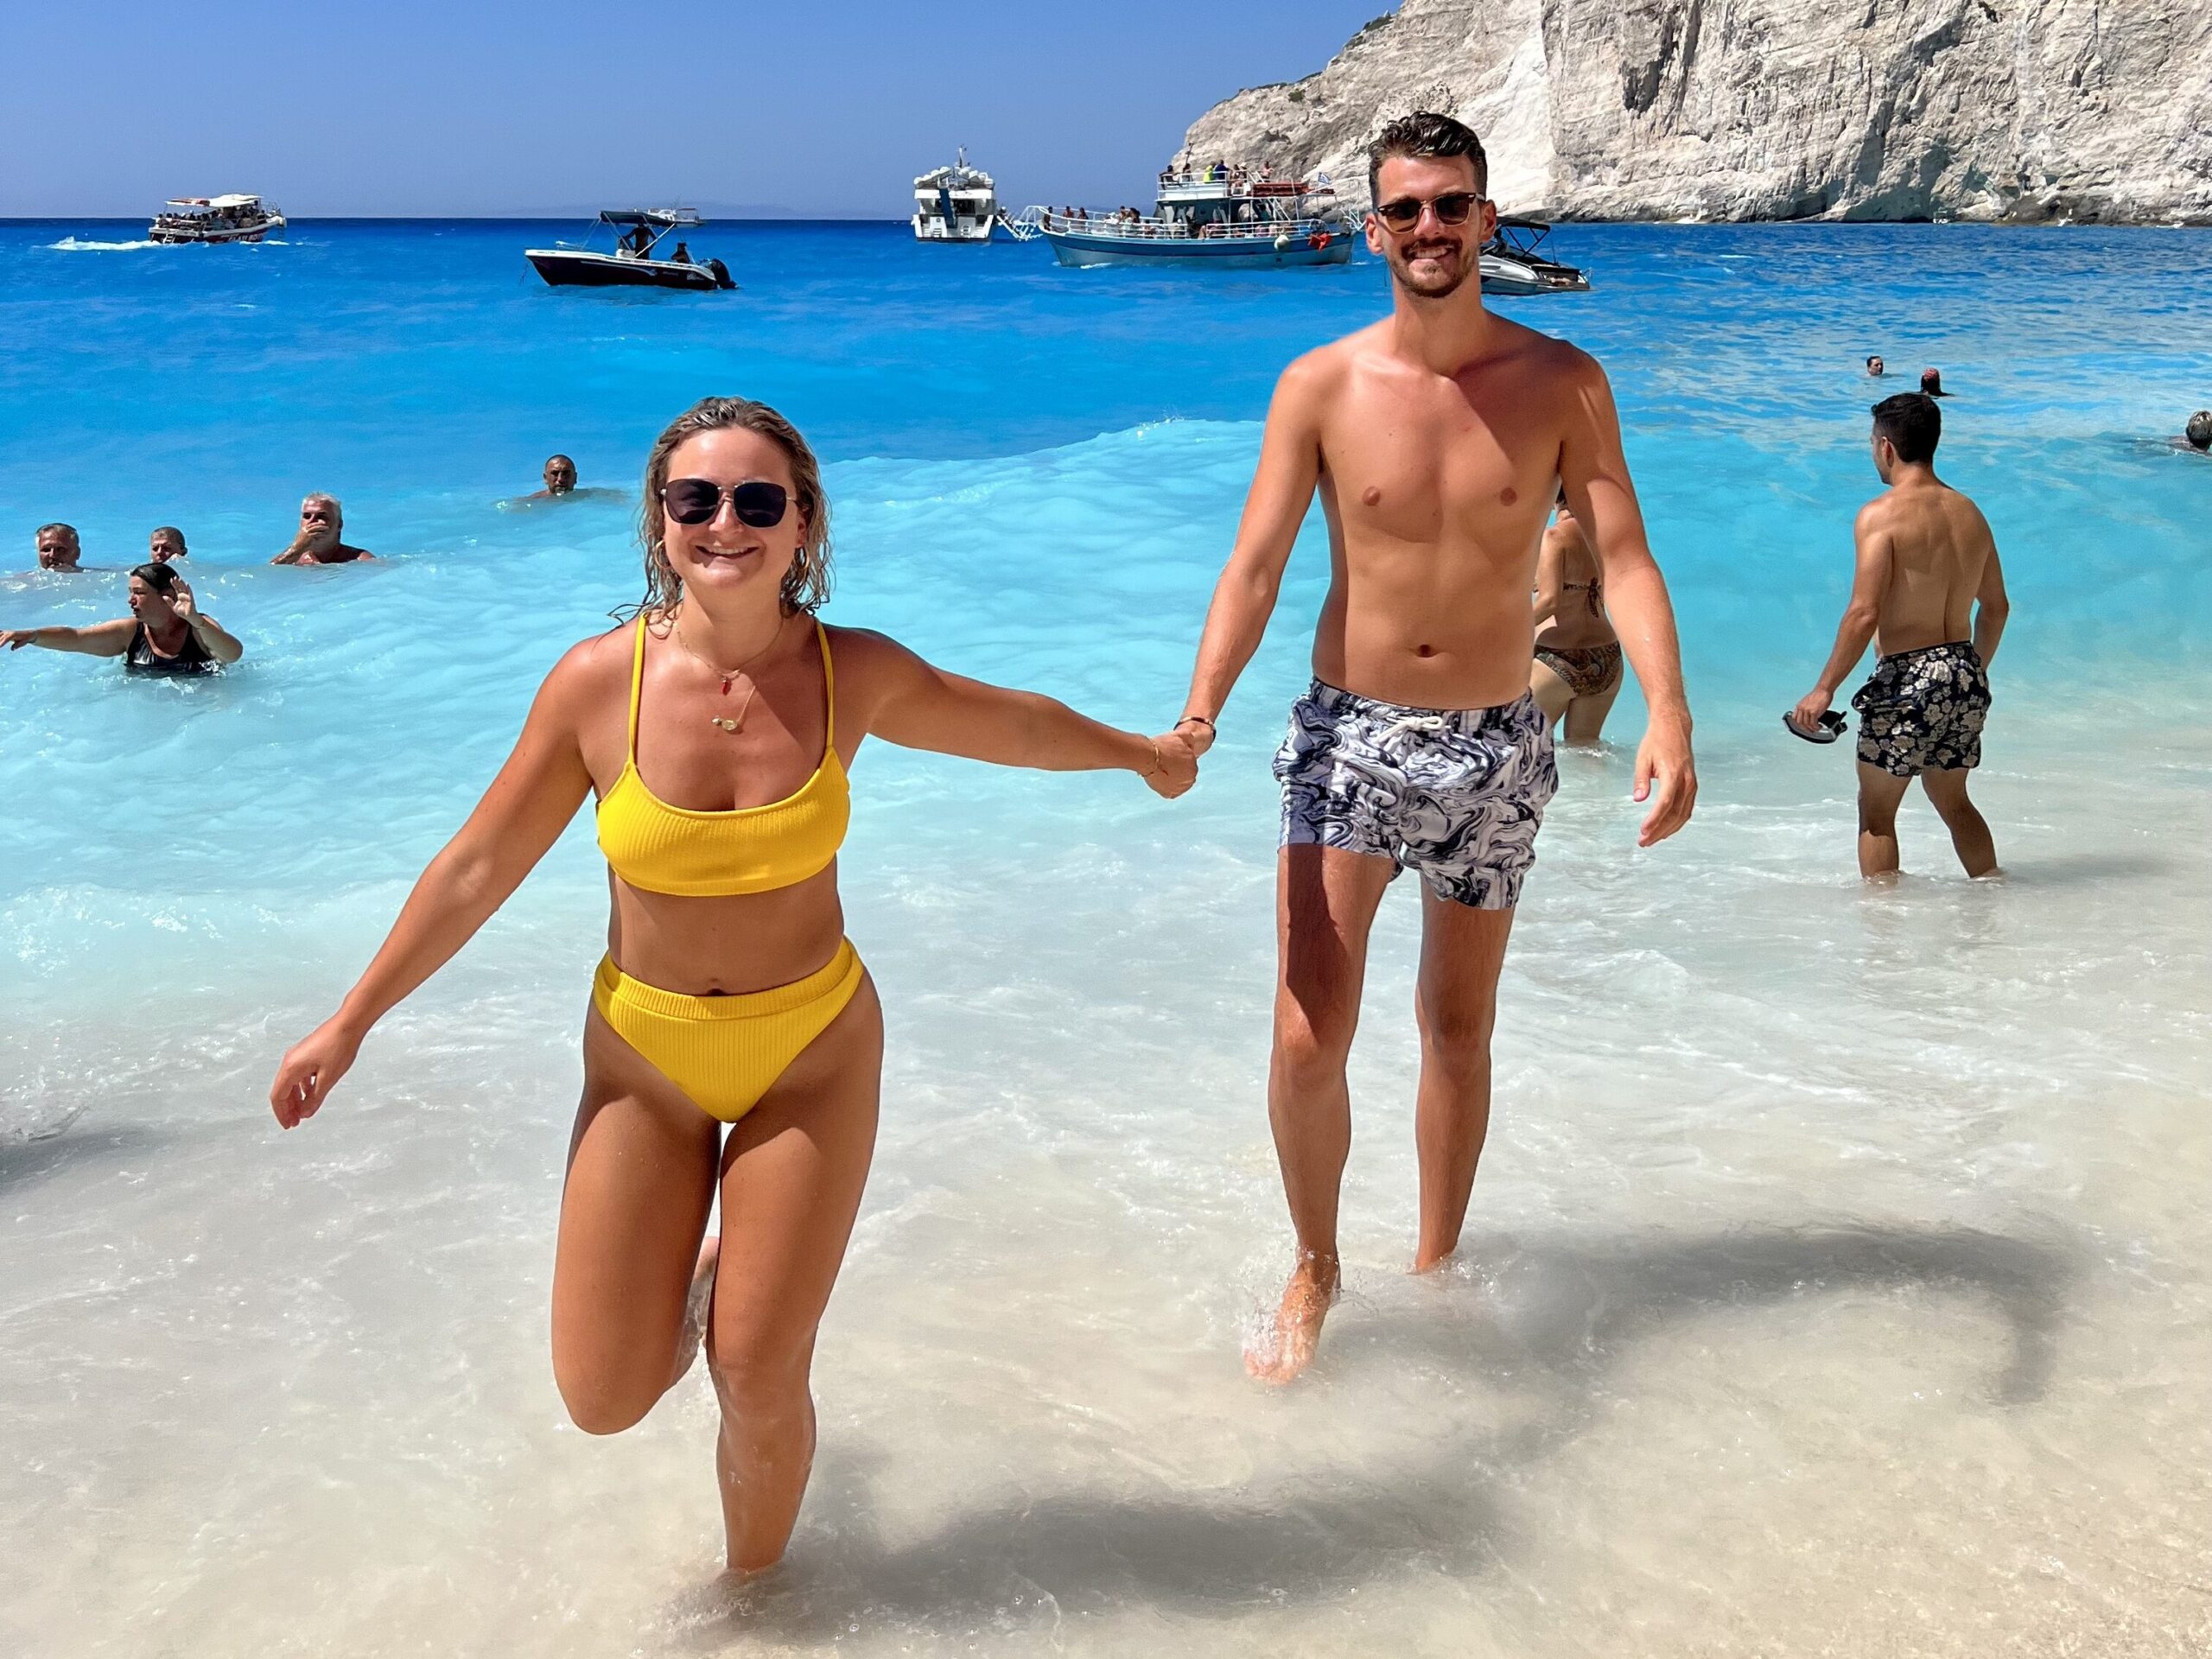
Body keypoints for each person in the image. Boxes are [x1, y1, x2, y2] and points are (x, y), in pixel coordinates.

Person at [268, 397, 1198, 1575]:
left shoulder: (848, 673)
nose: (725, 524)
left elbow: (1002, 723)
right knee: (603, 1399)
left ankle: (754, 1606)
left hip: (809, 1052)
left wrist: (1139, 754)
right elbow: (477, 865)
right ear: (659, 523)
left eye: (759, 501)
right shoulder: (595, 685)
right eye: (695, 500)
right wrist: (350, 1023)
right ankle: (710, 1275)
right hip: (643, 1062)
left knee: (758, 1372)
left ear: (803, 524)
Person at [1173, 112, 1696, 1384]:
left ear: (1486, 221)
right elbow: (1254, 567)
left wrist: (1670, 714)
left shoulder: (1563, 380)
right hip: (1346, 736)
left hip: (1502, 743)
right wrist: (1199, 713)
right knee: (1309, 1034)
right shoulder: (1322, 385)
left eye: (1452, 205)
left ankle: (1439, 1265)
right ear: (1372, 229)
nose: (1430, 228)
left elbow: (1621, 557)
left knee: (1457, 1030)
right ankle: (1316, 1264)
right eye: (1405, 209)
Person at [1788, 392, 2008, 880]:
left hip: (1907, 676)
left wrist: (1824, 688)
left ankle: (1883, 939)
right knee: (1954, 801)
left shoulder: (1880, 515)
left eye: (1871, 444)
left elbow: (1864, 612)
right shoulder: (1971, 513)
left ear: (1887, 447)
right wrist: (1972, 671)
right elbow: (1996, 608)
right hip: (1964, 672)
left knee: (1877, 813)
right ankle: (1994, 899)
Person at [2, 561, 242, 672]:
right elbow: (77, 637)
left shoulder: (199, 628)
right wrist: (33, 635)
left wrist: (195, 620)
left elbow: (233, 655)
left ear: (167, 595)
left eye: (139, 593)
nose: (131, 600)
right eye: (130, 593)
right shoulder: (130, 631)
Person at [1529, 488, 1624, 743]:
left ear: (1553, 497)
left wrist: (1506, 632)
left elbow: (1550, 601)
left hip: (1558, 658)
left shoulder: (1554, 538)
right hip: (1607, 658)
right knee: (1586, 751)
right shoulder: (1605, 535)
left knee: (1525, 748)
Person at [271, 493, 376, 564]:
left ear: (339, 525)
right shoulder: (294, 560)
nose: (312, 521)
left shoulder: (360, 559)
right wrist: (296, 549)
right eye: (307, 516)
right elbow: (267, 578)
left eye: (321, 516)